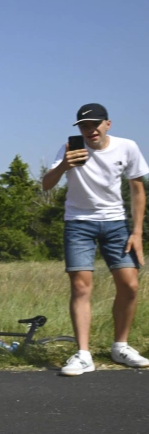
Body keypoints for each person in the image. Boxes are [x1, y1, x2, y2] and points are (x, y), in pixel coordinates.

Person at [41, 103, 149, 376]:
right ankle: (83, 354)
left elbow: (137, 190)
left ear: (108, 124)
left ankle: (121, 346)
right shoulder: (69, 148)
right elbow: (46, 184)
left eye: (95, 124)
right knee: (81, 287)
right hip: (78, 223)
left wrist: (137, 232)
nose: (90, 130)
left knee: (131, 285)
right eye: (84, 126)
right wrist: (65, 163)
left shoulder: (127, 147)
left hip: (116, 224)